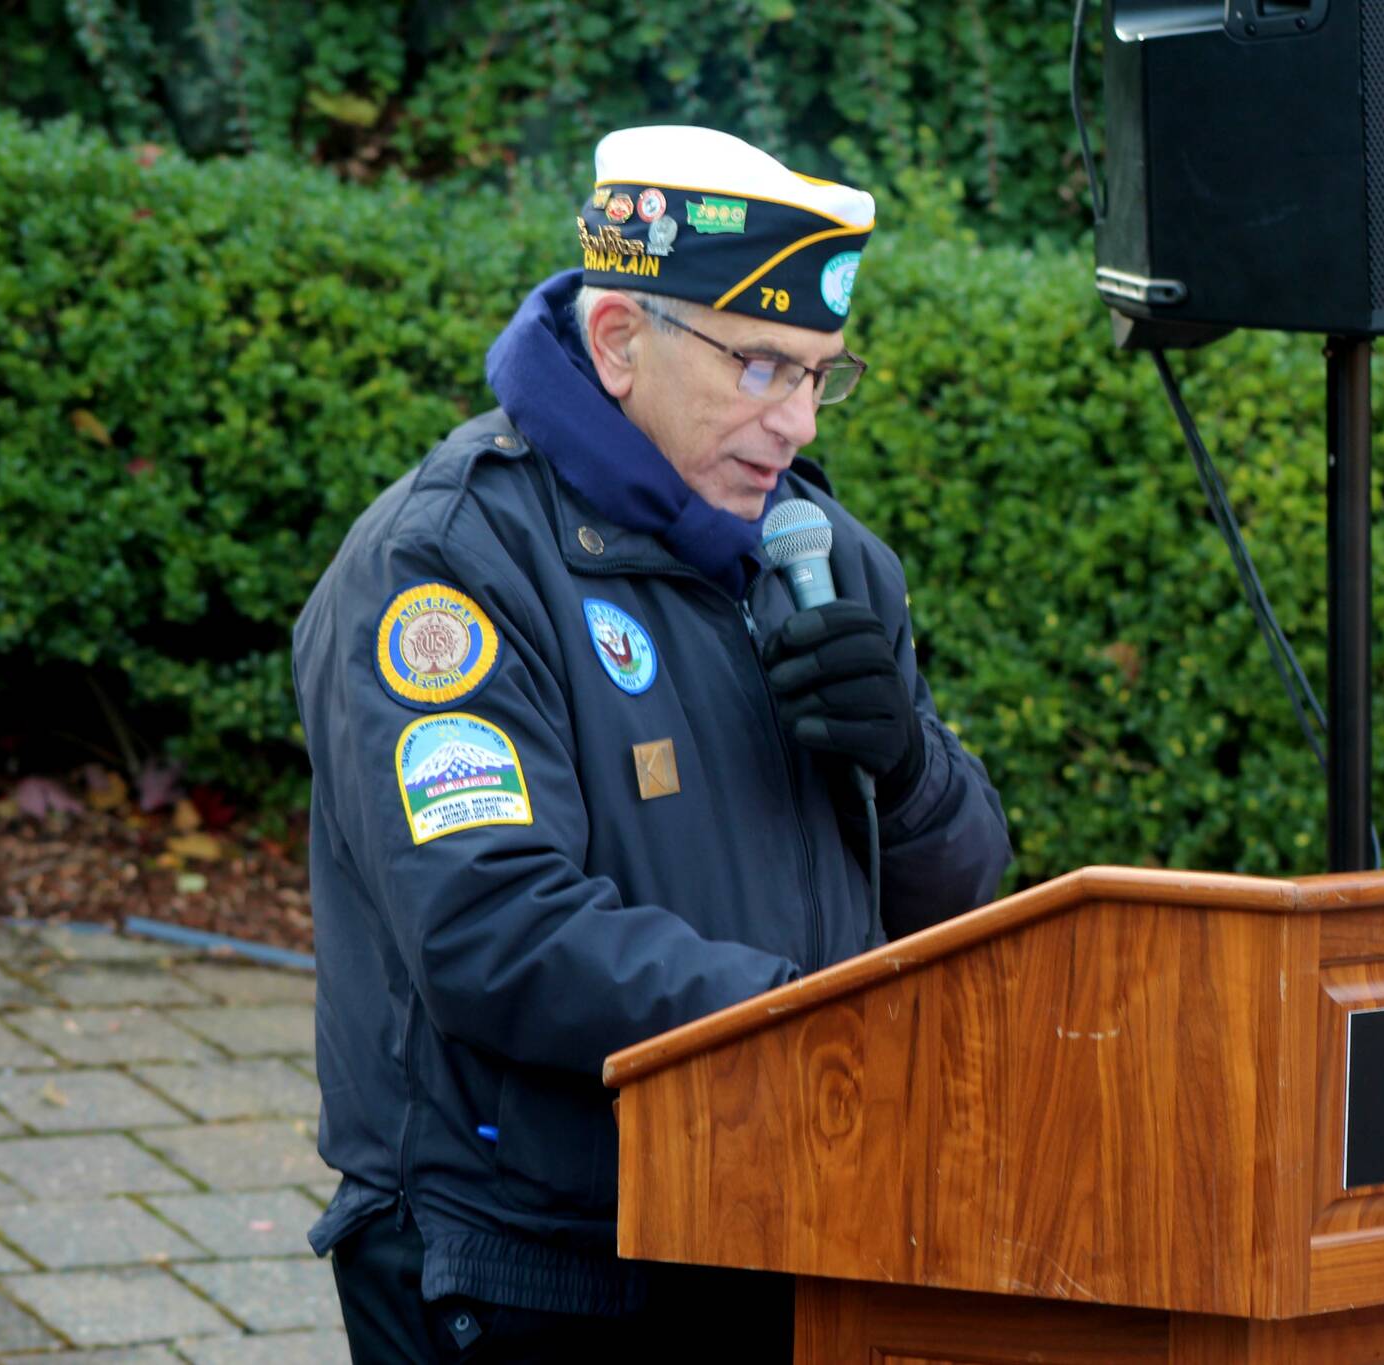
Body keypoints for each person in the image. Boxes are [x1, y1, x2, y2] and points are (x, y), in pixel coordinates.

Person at [292, 125, 1012, 1362]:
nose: (795, 422)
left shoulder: (824, 559)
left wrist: (905, 772)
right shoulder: (446, 562)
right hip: (535, 1263)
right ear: (620, 340)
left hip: (786, 1225)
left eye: (820, 376)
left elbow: (960, 887)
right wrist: (816, 1021)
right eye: (759, 368)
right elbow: (491, 930)